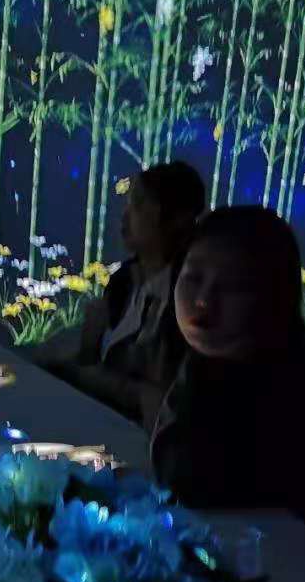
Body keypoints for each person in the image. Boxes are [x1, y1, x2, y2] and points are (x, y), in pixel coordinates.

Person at [152, 205, 305, 538]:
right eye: (193, 278)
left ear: (275, 296)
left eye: (234, 286)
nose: (203, 301)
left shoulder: (303, 410)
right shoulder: (201, 362)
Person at [41, 160, 206, 426]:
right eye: (127, 204)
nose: (125, 216)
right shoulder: (124, 281)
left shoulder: (191, 299)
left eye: (138, 204)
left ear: (176, 219)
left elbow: (164, 399)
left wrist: (87, 374)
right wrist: (88, 348)